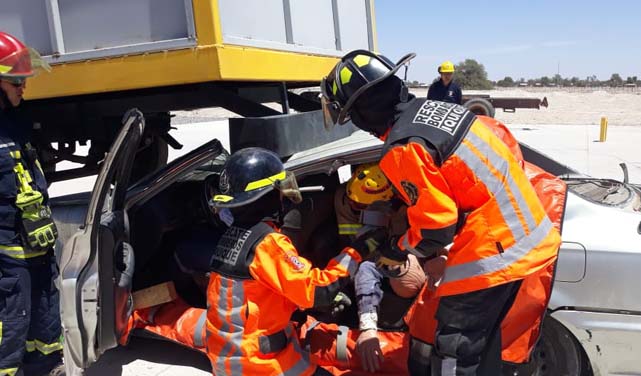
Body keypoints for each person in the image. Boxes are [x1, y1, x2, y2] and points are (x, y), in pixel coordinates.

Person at [320, 50, 561, 375]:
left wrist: (398, 250)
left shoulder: (404, 147)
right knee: (484, 345)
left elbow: (437, 226)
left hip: (492, 250)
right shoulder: (440, 111)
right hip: (524, 238)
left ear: (363, 110)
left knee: (455, 351)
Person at [203, 147, 387, 375]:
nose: (283, 198)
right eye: (278, 191)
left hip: (230, 360)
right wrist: (357, 251)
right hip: (260, 365)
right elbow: (319, 289)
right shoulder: (268, 244)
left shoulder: (232, 236)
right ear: (266, 197)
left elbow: (261, 295)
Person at [0, 31, 64, 376]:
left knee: (44, 309)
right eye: (16, 81)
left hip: (35, 245)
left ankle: (46, 365)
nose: (23, 88)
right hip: (6, 252)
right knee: (11, 317)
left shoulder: (16, 125)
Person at [335, 163, 426, 373]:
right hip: (379, 252)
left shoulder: (412, 208)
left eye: (362, 207)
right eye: (355, 205)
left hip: (410, 257)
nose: (355, 208)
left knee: (381, 271)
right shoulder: (348, 198)